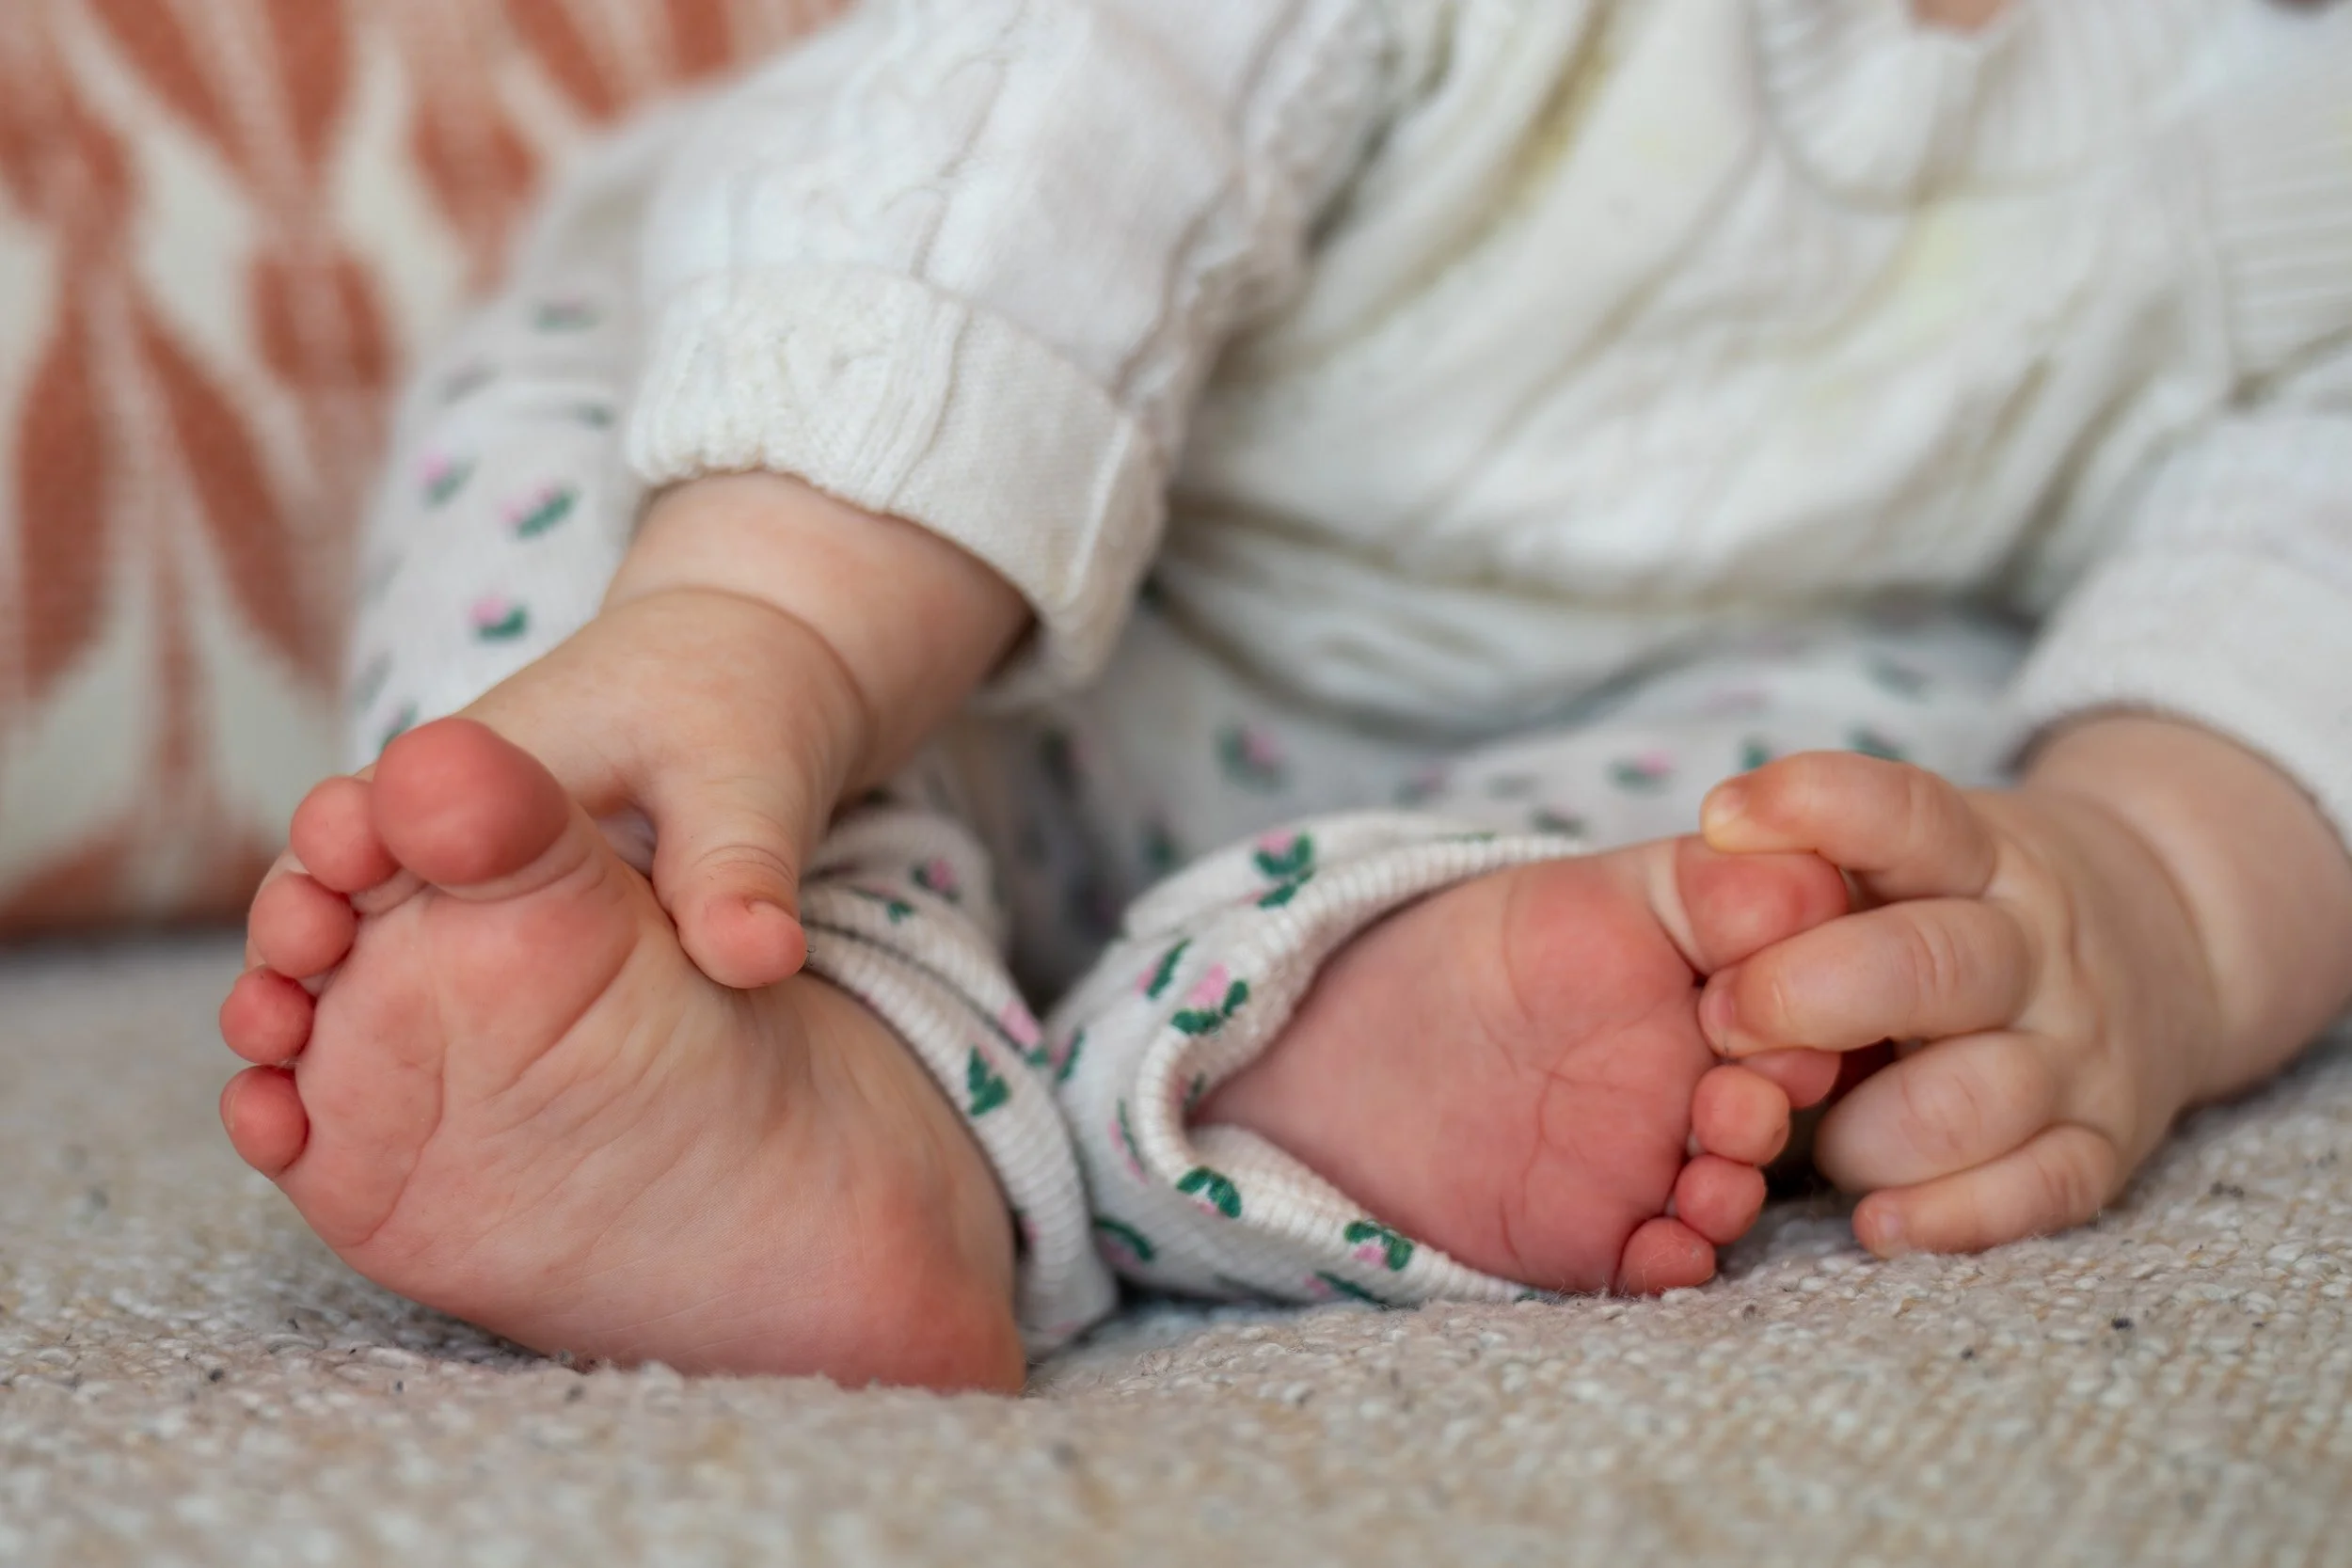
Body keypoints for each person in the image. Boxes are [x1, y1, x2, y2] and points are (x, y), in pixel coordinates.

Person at [216, 0, 2352, 1393]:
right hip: (860, 504)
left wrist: (2149, 896)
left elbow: (2296, 565)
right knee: (605, 536)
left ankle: (1317, 1033)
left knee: (1868, 823)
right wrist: (769, 607)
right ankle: (780, 1061)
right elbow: (1039, 113)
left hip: (1538, 729)